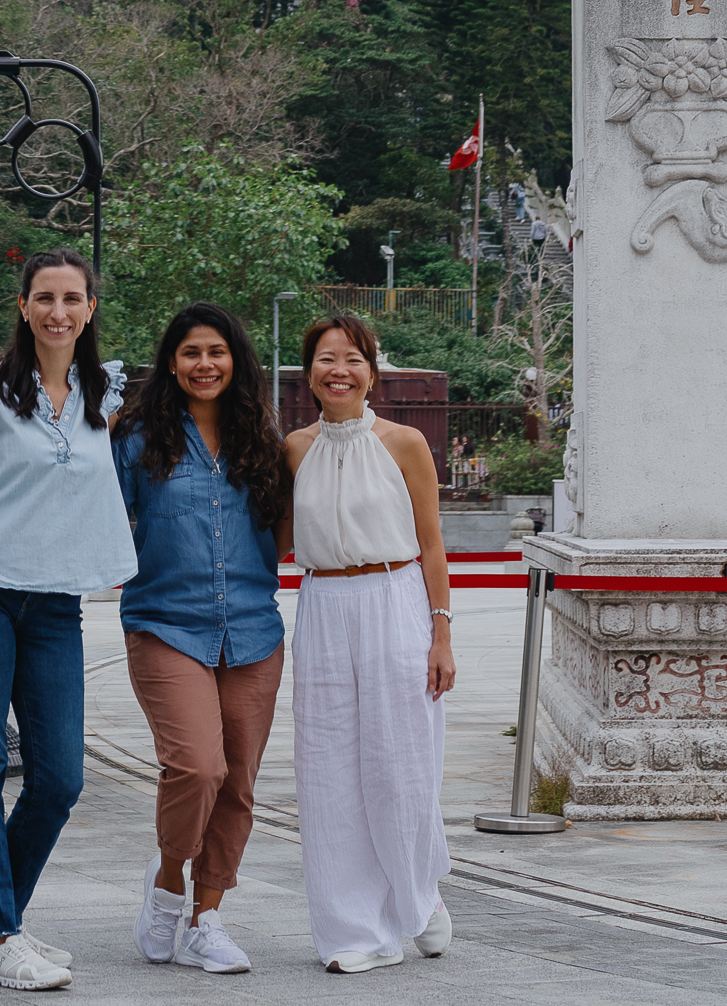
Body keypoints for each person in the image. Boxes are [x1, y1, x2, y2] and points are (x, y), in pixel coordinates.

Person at [0, 248, 138, 992]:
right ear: (21, 306)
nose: (58, 311)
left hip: (55, 602)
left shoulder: (103, 392)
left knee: (58, 776)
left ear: (89, 308)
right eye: (44, 297)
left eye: (72, 298)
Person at [112, 303, 291, 976]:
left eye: (216, 352)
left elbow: (289, 533)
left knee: (238, 781)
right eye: (190, 352)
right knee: (196, 767)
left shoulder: (262, 443)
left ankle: (205, 918)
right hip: (164, 623)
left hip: (252, 628)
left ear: (235, 362)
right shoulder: (134, 438)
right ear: (170, 363)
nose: (204, 364)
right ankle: (165, 885)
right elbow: (90, 507)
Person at [283, 313, 455, 974]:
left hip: (395, 598)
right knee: (327, 773)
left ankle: (419, 895)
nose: (339, 371)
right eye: (326, 359)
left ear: (370, 371)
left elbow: (432, 543)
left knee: (398, 765)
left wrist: (440, 633)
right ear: (309, 374)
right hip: (323, 604)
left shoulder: (404, 442)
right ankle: (353, 932)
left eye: (352, 359)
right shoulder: (293, 449)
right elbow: (272, 539)